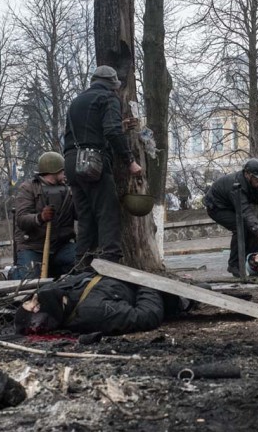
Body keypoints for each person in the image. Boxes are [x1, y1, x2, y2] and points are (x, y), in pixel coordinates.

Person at [63, 65, 142, 270]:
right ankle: (110, 265)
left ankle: (81, 265)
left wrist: (118, 125)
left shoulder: (76, 102)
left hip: (71, 163)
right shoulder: (108, 97)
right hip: (93, 163)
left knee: (86, 216)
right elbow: (112, 132)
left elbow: (88, 130)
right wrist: (130, 161)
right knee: (107, 211)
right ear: (112, 85)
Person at [13, 270, 194, 336]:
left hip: (133, 277)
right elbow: (147, 316)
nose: (35, 297)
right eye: (33, 304)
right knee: (203, 289)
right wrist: (146, 282)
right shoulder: (94, 311)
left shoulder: (60, 292)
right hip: (157, 292)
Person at [11, 152, 76, 280]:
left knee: (81, 264)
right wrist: (40, 218)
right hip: (33, 247)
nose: (64, 174)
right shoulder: (29, 189)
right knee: (29, 281)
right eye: (62, 171)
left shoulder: (68, 190)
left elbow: (78, 214)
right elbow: (21, 219)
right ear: (54, 171)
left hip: (61, 246)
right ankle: (13, 275)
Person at [203, 158, 258, 277]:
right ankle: (234, 265)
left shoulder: (249, 182)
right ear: (247, 174)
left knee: (250, 229)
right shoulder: (236, 186)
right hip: (216, 208)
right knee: (241, 228)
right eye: (257, 179)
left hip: (228, 206)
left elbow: (256, 199)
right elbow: (245, 211)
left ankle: (251, 262)